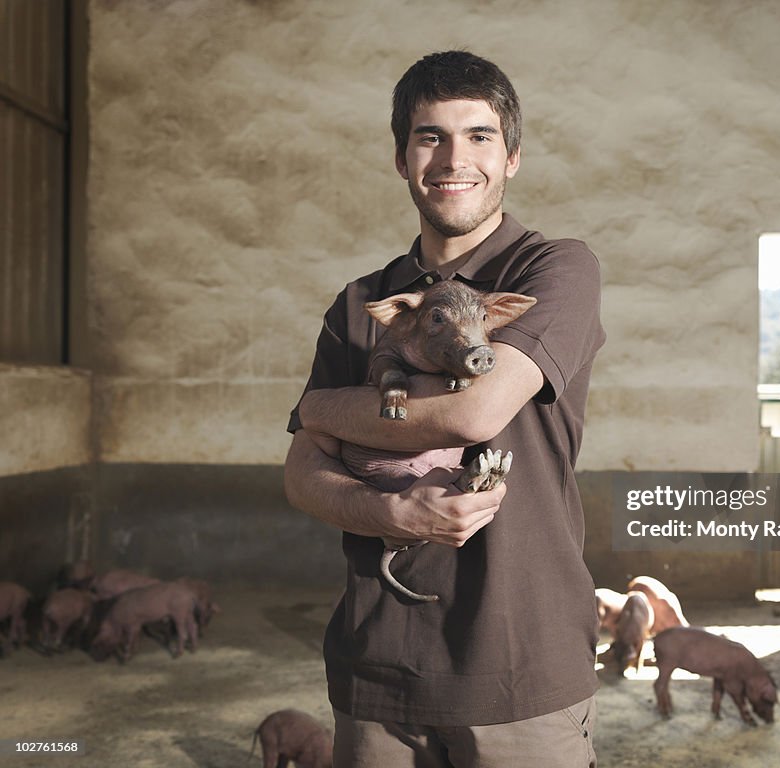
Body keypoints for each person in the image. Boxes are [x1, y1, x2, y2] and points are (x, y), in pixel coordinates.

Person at [284, 50, 605, 768]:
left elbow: (474, 414)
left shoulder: (555, 269)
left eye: (479, 136)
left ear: (513, 156)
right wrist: (393, 515)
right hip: (376, 672)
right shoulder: (362, 303)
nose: (454, 158)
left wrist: (329, 407)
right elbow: (302, 473)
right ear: (401, 158)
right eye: (430, 136)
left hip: (519, 670)